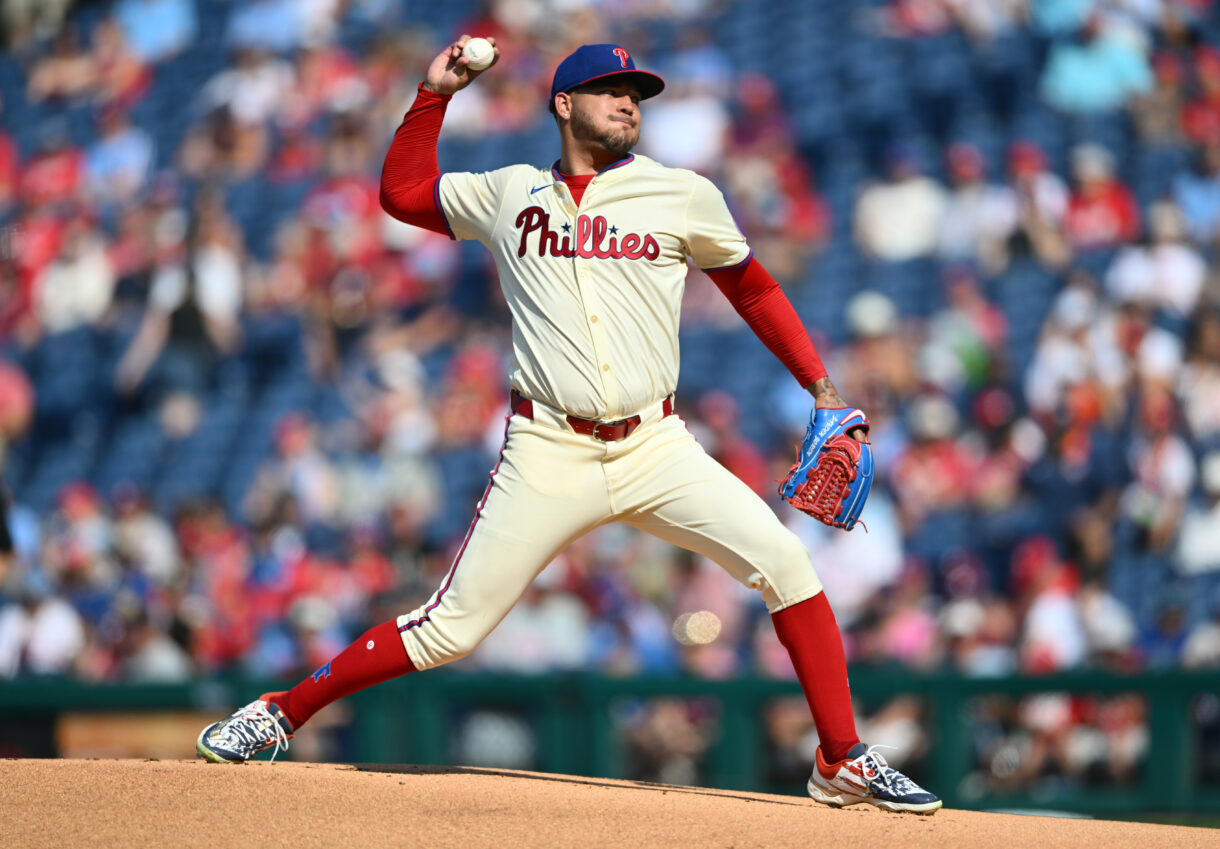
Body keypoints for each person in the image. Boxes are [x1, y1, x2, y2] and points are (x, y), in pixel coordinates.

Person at [195, 37, 942, 815]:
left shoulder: (681, 192)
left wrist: (821, 386)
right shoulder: (508, 192)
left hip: (657, 444)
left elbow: (753, 289)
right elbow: (403, 192)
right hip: (547, 448)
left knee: (787, 563)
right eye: (610, 89)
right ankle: (279, 712)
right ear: (563, 104)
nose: (628, 102)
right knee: (451, 629)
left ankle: (841, 757)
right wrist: (433, 94)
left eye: (636, 93)